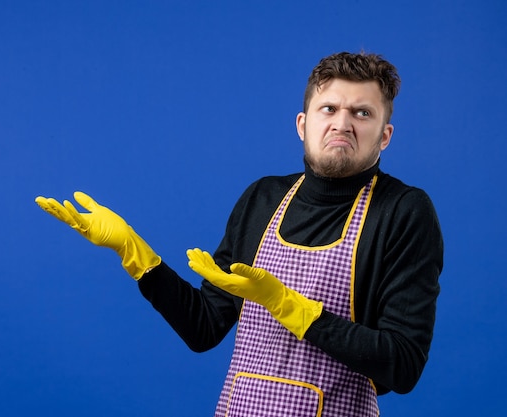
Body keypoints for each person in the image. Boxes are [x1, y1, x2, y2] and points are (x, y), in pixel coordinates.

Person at [35, 51, 443, 417]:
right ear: (303, 124)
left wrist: (289, 306)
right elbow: (203, 328)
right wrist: (136, 254)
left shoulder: (403, 211)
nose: (342, 124)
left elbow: (402, 365)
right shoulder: (263, 198)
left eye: (362, 113)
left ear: (385, 135)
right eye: (329, 108)